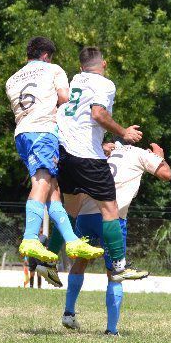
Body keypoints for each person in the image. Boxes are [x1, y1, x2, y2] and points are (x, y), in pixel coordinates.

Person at [5, 37, 105, 273]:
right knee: (42, 181)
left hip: (22, 134)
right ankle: (30, 237)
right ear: (47, 56)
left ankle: (71, 241)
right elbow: (64, 98)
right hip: (44, 132)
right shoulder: (52, 69)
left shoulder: (12, 79)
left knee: (54, 193)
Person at [61, 140, 171, 335]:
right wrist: (158, 157)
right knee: (115, 274)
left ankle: (68, 313)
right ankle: (111, 330)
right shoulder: (139, 153)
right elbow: (166, 174)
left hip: (86, 214)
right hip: (112, 218)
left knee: (79, 263)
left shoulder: (101, 150)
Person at [57, 47, 147, 282]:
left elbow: (77, 115)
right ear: (104, 64)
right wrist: (123, 133)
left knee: (70, 211)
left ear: (80, 68)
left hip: (64, 153)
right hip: (87, 157)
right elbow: (98, 114)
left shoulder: (76, 80)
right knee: (110, 210)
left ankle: (46, 259)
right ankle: (119, 265)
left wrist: (102, 142)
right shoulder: (105, 84)